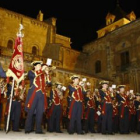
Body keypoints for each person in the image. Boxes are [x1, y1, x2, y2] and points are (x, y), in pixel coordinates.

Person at [25, 61, 51, 134]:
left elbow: (49, 83)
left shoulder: (43, 75)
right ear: (35, 66)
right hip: (34, 94)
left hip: (42, 95)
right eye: (39, 65)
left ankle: (38, 129)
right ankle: (28, 128)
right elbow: (33, 76)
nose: (40, 66)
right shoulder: (31, 72)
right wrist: (42, 70)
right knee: (31, 111)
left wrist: (47, 73)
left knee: (40, 112)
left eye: (40, 65)